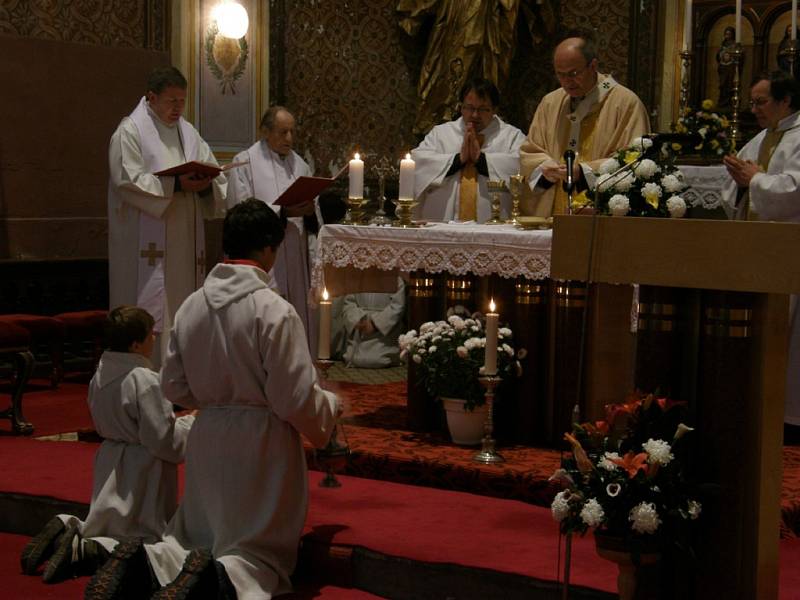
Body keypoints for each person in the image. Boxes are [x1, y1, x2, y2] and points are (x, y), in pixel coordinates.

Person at [85, 199, 342, 600]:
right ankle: (219, 581)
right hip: (261, 443)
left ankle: (149, 563)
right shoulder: (273, 309)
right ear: (270, 249)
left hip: (208, 435)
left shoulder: (191, 306)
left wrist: (213, 400)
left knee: (194, 539)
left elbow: (173, 385)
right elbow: (292, 397)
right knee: (252, 551)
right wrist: (329, 415)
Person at [20, 307, 193, 583]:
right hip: (143, 465)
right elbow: (163, 441)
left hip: (112, 455)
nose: (154, 339)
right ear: (136, 343)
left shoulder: (100, 372)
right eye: (151, 335)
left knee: (110, 522)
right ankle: (84, 549)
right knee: (140, 535)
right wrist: (191, 426)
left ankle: (69, 528)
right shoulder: (144, 379)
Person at [108, 66, 226, 368]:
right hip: (147, 250)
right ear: (151, 97)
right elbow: (126, 180)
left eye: (182, 101)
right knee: (152, 308)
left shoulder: (188, 133)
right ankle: (144, 376)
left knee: (183, 307)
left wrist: (205, 185)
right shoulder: (129, 132)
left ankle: (183, 377)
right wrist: (175, 184)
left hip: (185, 246)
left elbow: (214, 171)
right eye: (171, 101)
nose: (178, 108)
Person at [723, 70, 800, 445]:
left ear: (785, 101)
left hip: (790, 256)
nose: (753, 109)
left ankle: (788, 421)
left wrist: (753, 180)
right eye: (751, 102)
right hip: (755, 255)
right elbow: (731, 191)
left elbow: (794, 191)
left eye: (761, 101)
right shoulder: (758, 140)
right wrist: (741, 185)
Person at [519, 32, 650, 217]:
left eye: (573, 74)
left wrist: (583, 171)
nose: (566, 82)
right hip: (552, 213)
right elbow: (531, 151)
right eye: (560, 74)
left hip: (601, 214)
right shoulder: (551, 103)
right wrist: (546, 168)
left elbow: (635, 159)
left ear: (593, 66)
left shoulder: (625, 103)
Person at [227, 106, 320, 353]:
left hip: (296, 258)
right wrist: (284, 212)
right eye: (282, 132)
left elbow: (313, 216)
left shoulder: (300, 166)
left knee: (297, 316)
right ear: (265, 132)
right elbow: (241, 215)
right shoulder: (244, 162)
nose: (289, 138)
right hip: (262, 256)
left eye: (292, 132)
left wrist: (310, 212)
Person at [397, 0, 556, 135]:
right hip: (463, 11)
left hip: (500, 13)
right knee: (452, 68)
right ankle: (444, 121)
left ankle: (488, 121)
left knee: (494, 69)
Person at [412, 78, 526, 223]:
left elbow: (522, 167)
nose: (475, 115)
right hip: (440, 225)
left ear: (495, 109)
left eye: (483, 109)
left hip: (495, 229)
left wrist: (482, 161)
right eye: (469, 108)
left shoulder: (512, 136)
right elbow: (417, 164)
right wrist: (457, 160)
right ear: (460, 107)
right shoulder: (440, 134)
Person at [341, 278, 407, 368]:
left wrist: (375, 323)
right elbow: (349, 303)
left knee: (376, 360)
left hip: (384, 335)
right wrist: (357, 319)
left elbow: (397, 307)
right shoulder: (357, 277)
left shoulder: (395, 279)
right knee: (355, 359)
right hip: (360, 330)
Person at [716, 26, 739, 111]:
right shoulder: (723, 45)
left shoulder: (734, 45)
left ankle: (728, 102)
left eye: (729, 34)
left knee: (729, 85)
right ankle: (722, 102)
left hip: (730, 69)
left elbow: (737, 57)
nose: (727, 35)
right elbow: (718, 56)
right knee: (722, 85)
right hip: (723, 68)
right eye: (726, 34)